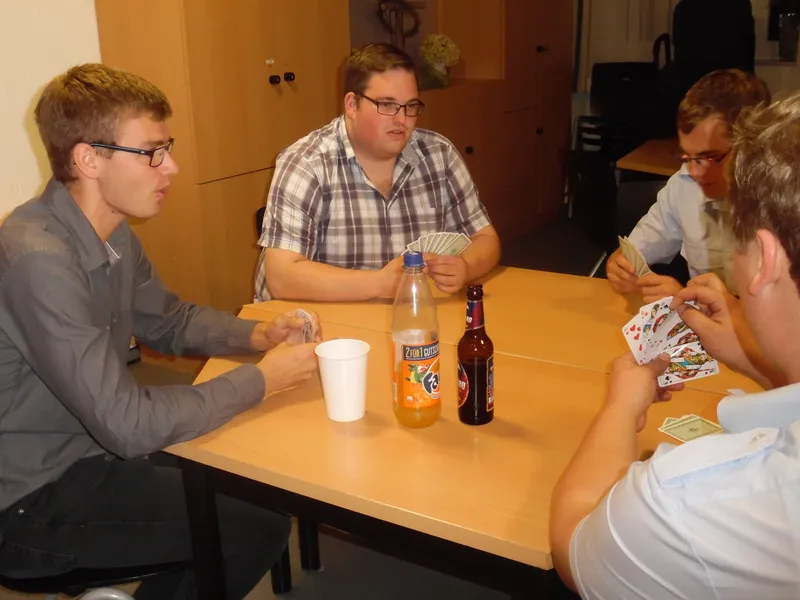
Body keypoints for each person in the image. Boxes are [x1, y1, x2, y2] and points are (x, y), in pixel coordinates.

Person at [0, 64, 322, 600]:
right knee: (253, 527)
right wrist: (264, 380)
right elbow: (127, 424)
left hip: (95, 450)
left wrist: (258, 336)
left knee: (260, 480)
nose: (170, 166)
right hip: (30, 500)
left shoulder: (111, 231)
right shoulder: (39, 259)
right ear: (88, 159)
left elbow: (169, 320)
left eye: (165, 148)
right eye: (151, 152)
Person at [551, 92, 800, 599]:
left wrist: (622, 406)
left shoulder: (683, 499)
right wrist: (756, 361)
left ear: (765, 261)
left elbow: (577, 545)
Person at [255, 42, 501, 302]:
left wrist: (465, 266)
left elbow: (486, 239)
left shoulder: (439, 155)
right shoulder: (306, 163)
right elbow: (281, 277)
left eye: (410, 106)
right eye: (387, 105)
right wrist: (381, 284)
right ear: (352, 104)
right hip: (320, 319)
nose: (401, 119)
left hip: (411, 312)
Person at [606, 69, 770, 303]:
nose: (694, 171)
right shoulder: (684, 185)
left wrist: (689, 300)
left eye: (708, 157)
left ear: (752, 147)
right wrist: (621, 265)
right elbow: (635, 250)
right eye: (688, 156)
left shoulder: (786, 202)